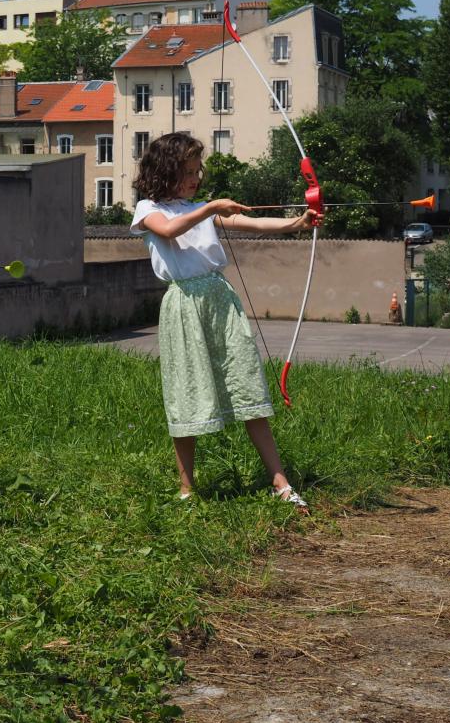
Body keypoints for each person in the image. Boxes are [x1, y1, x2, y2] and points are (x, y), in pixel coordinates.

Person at [129, 132, 316, 509]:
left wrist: (297, 222)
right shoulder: (148, 208)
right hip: (184, 305)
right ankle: (186, 490)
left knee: (246, 384)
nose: (196, 177)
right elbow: (168, 230)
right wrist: (211, 208)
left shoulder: (200, 209)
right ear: (166, 170)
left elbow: (254, 225)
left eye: (199, 170)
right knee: (187, 392)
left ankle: (280, 483)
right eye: (188, 171)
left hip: (220, 300)